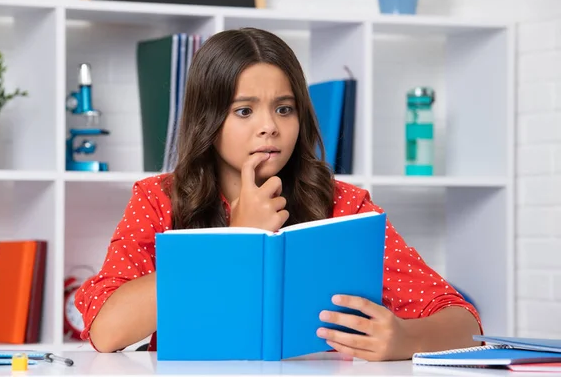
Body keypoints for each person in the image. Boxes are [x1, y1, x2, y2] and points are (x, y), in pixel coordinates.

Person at [75, 27, 482, 361]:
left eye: (284, 109)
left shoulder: (345, 205)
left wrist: (408, 340)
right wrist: (236, 236)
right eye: (245, 110)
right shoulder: (159, 199)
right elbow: (107, 329)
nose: (269, 126)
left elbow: (463, 320)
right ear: (208, 120)